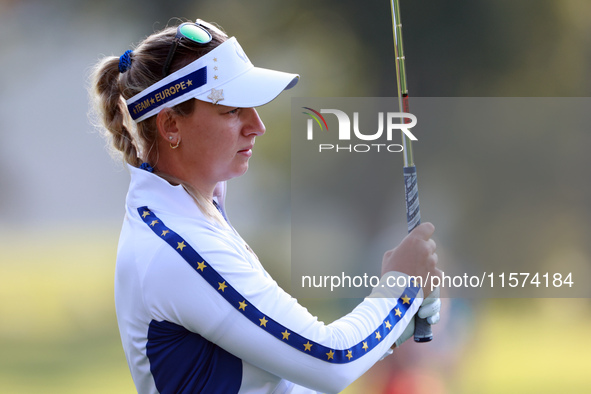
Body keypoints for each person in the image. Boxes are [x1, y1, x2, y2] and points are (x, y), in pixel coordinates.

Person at [90, 18, 442, 394]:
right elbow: (332, 360)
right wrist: (400, 288)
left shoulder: (191, 217)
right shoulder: (179, 246)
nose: (256, 125)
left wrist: (388, 329)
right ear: (171, 125)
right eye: (232, 110)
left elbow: (284, 380)